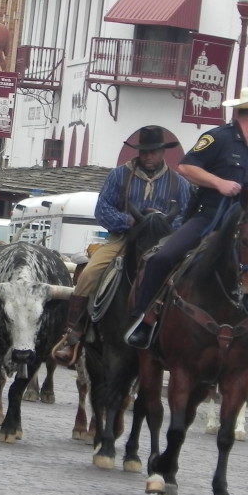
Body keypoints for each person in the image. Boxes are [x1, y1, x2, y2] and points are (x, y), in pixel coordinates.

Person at [123, 87, 248, 379]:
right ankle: (143, 323)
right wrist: (219, 183)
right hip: (210, 217)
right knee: (163, 258)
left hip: (246, 229)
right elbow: (186, 167)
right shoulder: (218, 138)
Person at [51, 126, 192, 367]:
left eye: (154, 152)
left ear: (163, 153)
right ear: (138, 152)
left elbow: (186, 216)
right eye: (145, 152)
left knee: (191, 277)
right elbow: (103, 208)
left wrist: (162, 225)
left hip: (163, 244)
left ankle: (189, 339)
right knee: (90, 273)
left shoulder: (179, 183)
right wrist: (128, 221)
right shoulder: (119, 176)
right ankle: (74, 333)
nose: (148, 156)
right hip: (123, 239)